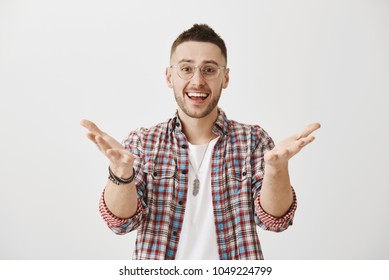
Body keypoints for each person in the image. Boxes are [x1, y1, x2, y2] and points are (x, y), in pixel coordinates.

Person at [81, 24, 320, 260]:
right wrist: (121, 172)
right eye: (186, 69)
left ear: (225, 77)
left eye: (209, 69)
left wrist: (277, 169)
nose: (197, 81)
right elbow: (121, 223)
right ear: (169, 76)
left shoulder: (253, 141)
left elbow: (275, 221)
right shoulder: (143, 143)